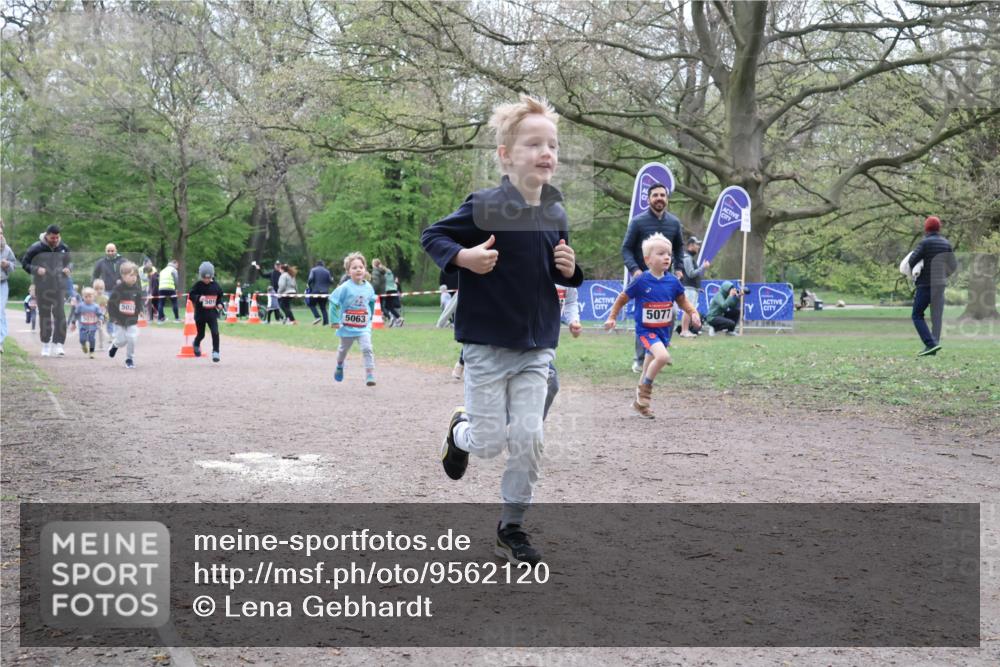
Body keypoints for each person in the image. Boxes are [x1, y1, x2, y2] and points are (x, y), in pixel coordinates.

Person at [421, 94, 584, 566]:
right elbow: (434, 236)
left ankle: (511, 527)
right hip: (487, 348)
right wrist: (465, 258)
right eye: (534, 144)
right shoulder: (485, 205)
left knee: (530, 437)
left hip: (536, 349)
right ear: (506, 155)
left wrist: (572, 270)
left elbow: (560, 270)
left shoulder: (555, 212)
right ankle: (460, 432)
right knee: (490, 443)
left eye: (552, 144)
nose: (546, 153)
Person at [604, 234, 700, 418]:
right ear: (648, 260)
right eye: (661, 253)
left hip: (663, 332)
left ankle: (640, 404)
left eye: (669, 254)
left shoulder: (672, 281)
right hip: (646, 331)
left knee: (649, 365)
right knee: (662, 357)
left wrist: (693, 313)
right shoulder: (641, 280)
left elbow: (682, 301)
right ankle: (646, 388)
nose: (667, 257)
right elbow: (622, 298)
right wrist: (612, 317)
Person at [621, 182, 687, 372]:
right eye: (655, 195)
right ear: (648, 199)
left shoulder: (674, 223)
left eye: (662, 195)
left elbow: (679, 247)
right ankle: (640, 360)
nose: (659, 198)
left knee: (670, 314)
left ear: (667, 199)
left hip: (666, 280)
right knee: (645, 318)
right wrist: (635, 270)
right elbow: (626, 248)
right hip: (644, 279)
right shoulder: (638, 222)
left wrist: (679, 268)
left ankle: (660, 352)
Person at [907, 215, 957, 357]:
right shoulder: (946, 243)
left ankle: (930, 344)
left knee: (917, 315)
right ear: (938, 228)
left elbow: (911, 261)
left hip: (925, 285)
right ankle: (933, 347)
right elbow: (953, 266)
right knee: (936, 317)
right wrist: (942, 275)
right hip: (940, 285)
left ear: (926, 228)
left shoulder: (924, 243)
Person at [20, 224, 72, 357]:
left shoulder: (63, 247)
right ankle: (45, 344)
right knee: (45, 315)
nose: (55, 240)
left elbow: (70, 262)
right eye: (52, 237)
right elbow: (24, 263)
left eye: (57, 237)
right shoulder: (36, 248)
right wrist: (36, 269)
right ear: (47, 235)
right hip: (42, 286)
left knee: (60, 314)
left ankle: (59, 343)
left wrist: (69, 269)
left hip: (59, 285)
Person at [329, 252, 377, 386]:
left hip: (363, 326)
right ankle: (339, 365)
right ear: (348, 271)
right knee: (343, 350)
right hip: (347, 327)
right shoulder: (345, 288)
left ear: (365, 269)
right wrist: (334, 321)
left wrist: (370, 317)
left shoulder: (369, 287)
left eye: (361, 267)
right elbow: (333, 302)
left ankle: (369, 374)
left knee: (367, 348)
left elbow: (371, 302)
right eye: (354, 267)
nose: (358, 270)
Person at [106, 262, 143, 368]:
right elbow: (111, 304)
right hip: (119, 320)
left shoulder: (137, 288)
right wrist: (113, 318)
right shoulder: (118, 289)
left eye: (135, 275)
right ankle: (115, 345)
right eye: (131, 275)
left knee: (132, 338)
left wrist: (140, 309)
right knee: (121, 341)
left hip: (132, 319)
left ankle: (129, 359)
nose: (134, 278)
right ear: (123, 276)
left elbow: (138, 301)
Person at [189, 261, 225, 362]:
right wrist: (198, 298)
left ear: (212, 276)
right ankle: (196, 344)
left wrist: (220, 304)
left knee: (215, 332)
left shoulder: (216, 286)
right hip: (200, 315)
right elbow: (191, 295)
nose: (206, 280)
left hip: (212, 314)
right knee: (201, 335)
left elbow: (219, 297)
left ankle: (216, 352)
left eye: (209, 278)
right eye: (204, 278)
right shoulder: (198, 285)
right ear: (201, 276)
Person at [678, 236, 709, 338]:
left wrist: (697, 287)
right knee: (688, 310)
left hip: (692, 288)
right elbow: (690, 273)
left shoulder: (689, 258)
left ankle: (685, 330)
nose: (698, 247)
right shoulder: (687, 258)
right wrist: (702, 267)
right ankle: (684, 330)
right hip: (689, 289)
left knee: (689, 309)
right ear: (690, 245)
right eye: (697, 244)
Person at [68, 287, 104, 358]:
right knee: (82, 339)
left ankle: (91, 352)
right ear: (83, 297)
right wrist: (73, 323)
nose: (88, 298)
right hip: (83, 326)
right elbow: (76, 314)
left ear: (93, 297)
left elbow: (100, 315)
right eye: (86, 297)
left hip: (93, 327)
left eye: (90, 297)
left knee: (92, 339)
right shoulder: (80, 306)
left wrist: (100, 319)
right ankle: (83, 345)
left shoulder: (96, 306)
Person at [372, 259, 403, 326]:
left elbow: (379, 282)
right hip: (393, 289)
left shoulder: (380, 272)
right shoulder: (389, 271)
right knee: (389, 306)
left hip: (386, 291)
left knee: (385, 307)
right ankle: (398, 318)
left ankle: (390, 317)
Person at [0, 227, 16, 353]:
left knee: (0, 311)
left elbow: (13, 265)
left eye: (1, 233)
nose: (0, 235)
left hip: (2, 283)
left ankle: (0, 341)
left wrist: (8, 265)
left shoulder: (6, 249)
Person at [307, 259, 333, 325]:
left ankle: (317, 316)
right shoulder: (327, 271)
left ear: (316, 264)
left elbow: (310, 279)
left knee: (311, 304)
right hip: (325, 292)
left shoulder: (313, 270)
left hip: (315, 291)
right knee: (323, 307)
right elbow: (331, 281)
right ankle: (326, 323)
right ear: (323, 265)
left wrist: (309, 286)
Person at [92, 279, 109, 351]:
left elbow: (108, 307)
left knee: (101, 330)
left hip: (103, 317)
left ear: (104, 289)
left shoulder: (106, 298)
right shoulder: (92, 298)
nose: (99, 291)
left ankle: (101, 344)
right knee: (92, 331)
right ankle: (92, 344)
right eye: (96, 289)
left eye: (101, 289)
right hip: (93, 317)